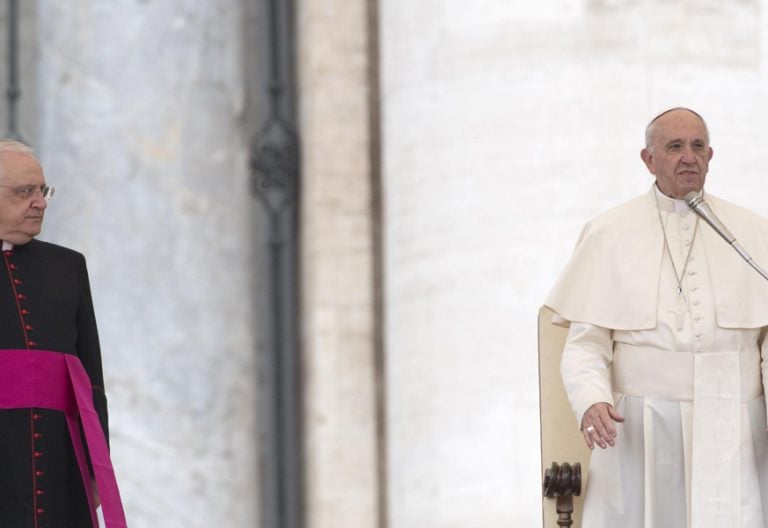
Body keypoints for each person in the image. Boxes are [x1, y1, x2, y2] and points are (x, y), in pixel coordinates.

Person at [545, 108, 768, 527]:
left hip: (735, 424)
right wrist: (592, 399)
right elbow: (586, 344)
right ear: (648, 159)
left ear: (711, 155)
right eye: (675, 146)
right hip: (642, 426)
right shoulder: (609, 232)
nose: (689, 157)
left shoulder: (754, 233)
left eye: (698, 146)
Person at [0, 139, 120, 527]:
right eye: (25, 192)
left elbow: (92, 380)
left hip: (61, 460)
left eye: (42, 190)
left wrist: (97, 463)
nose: (41, 202)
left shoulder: (67, 266)